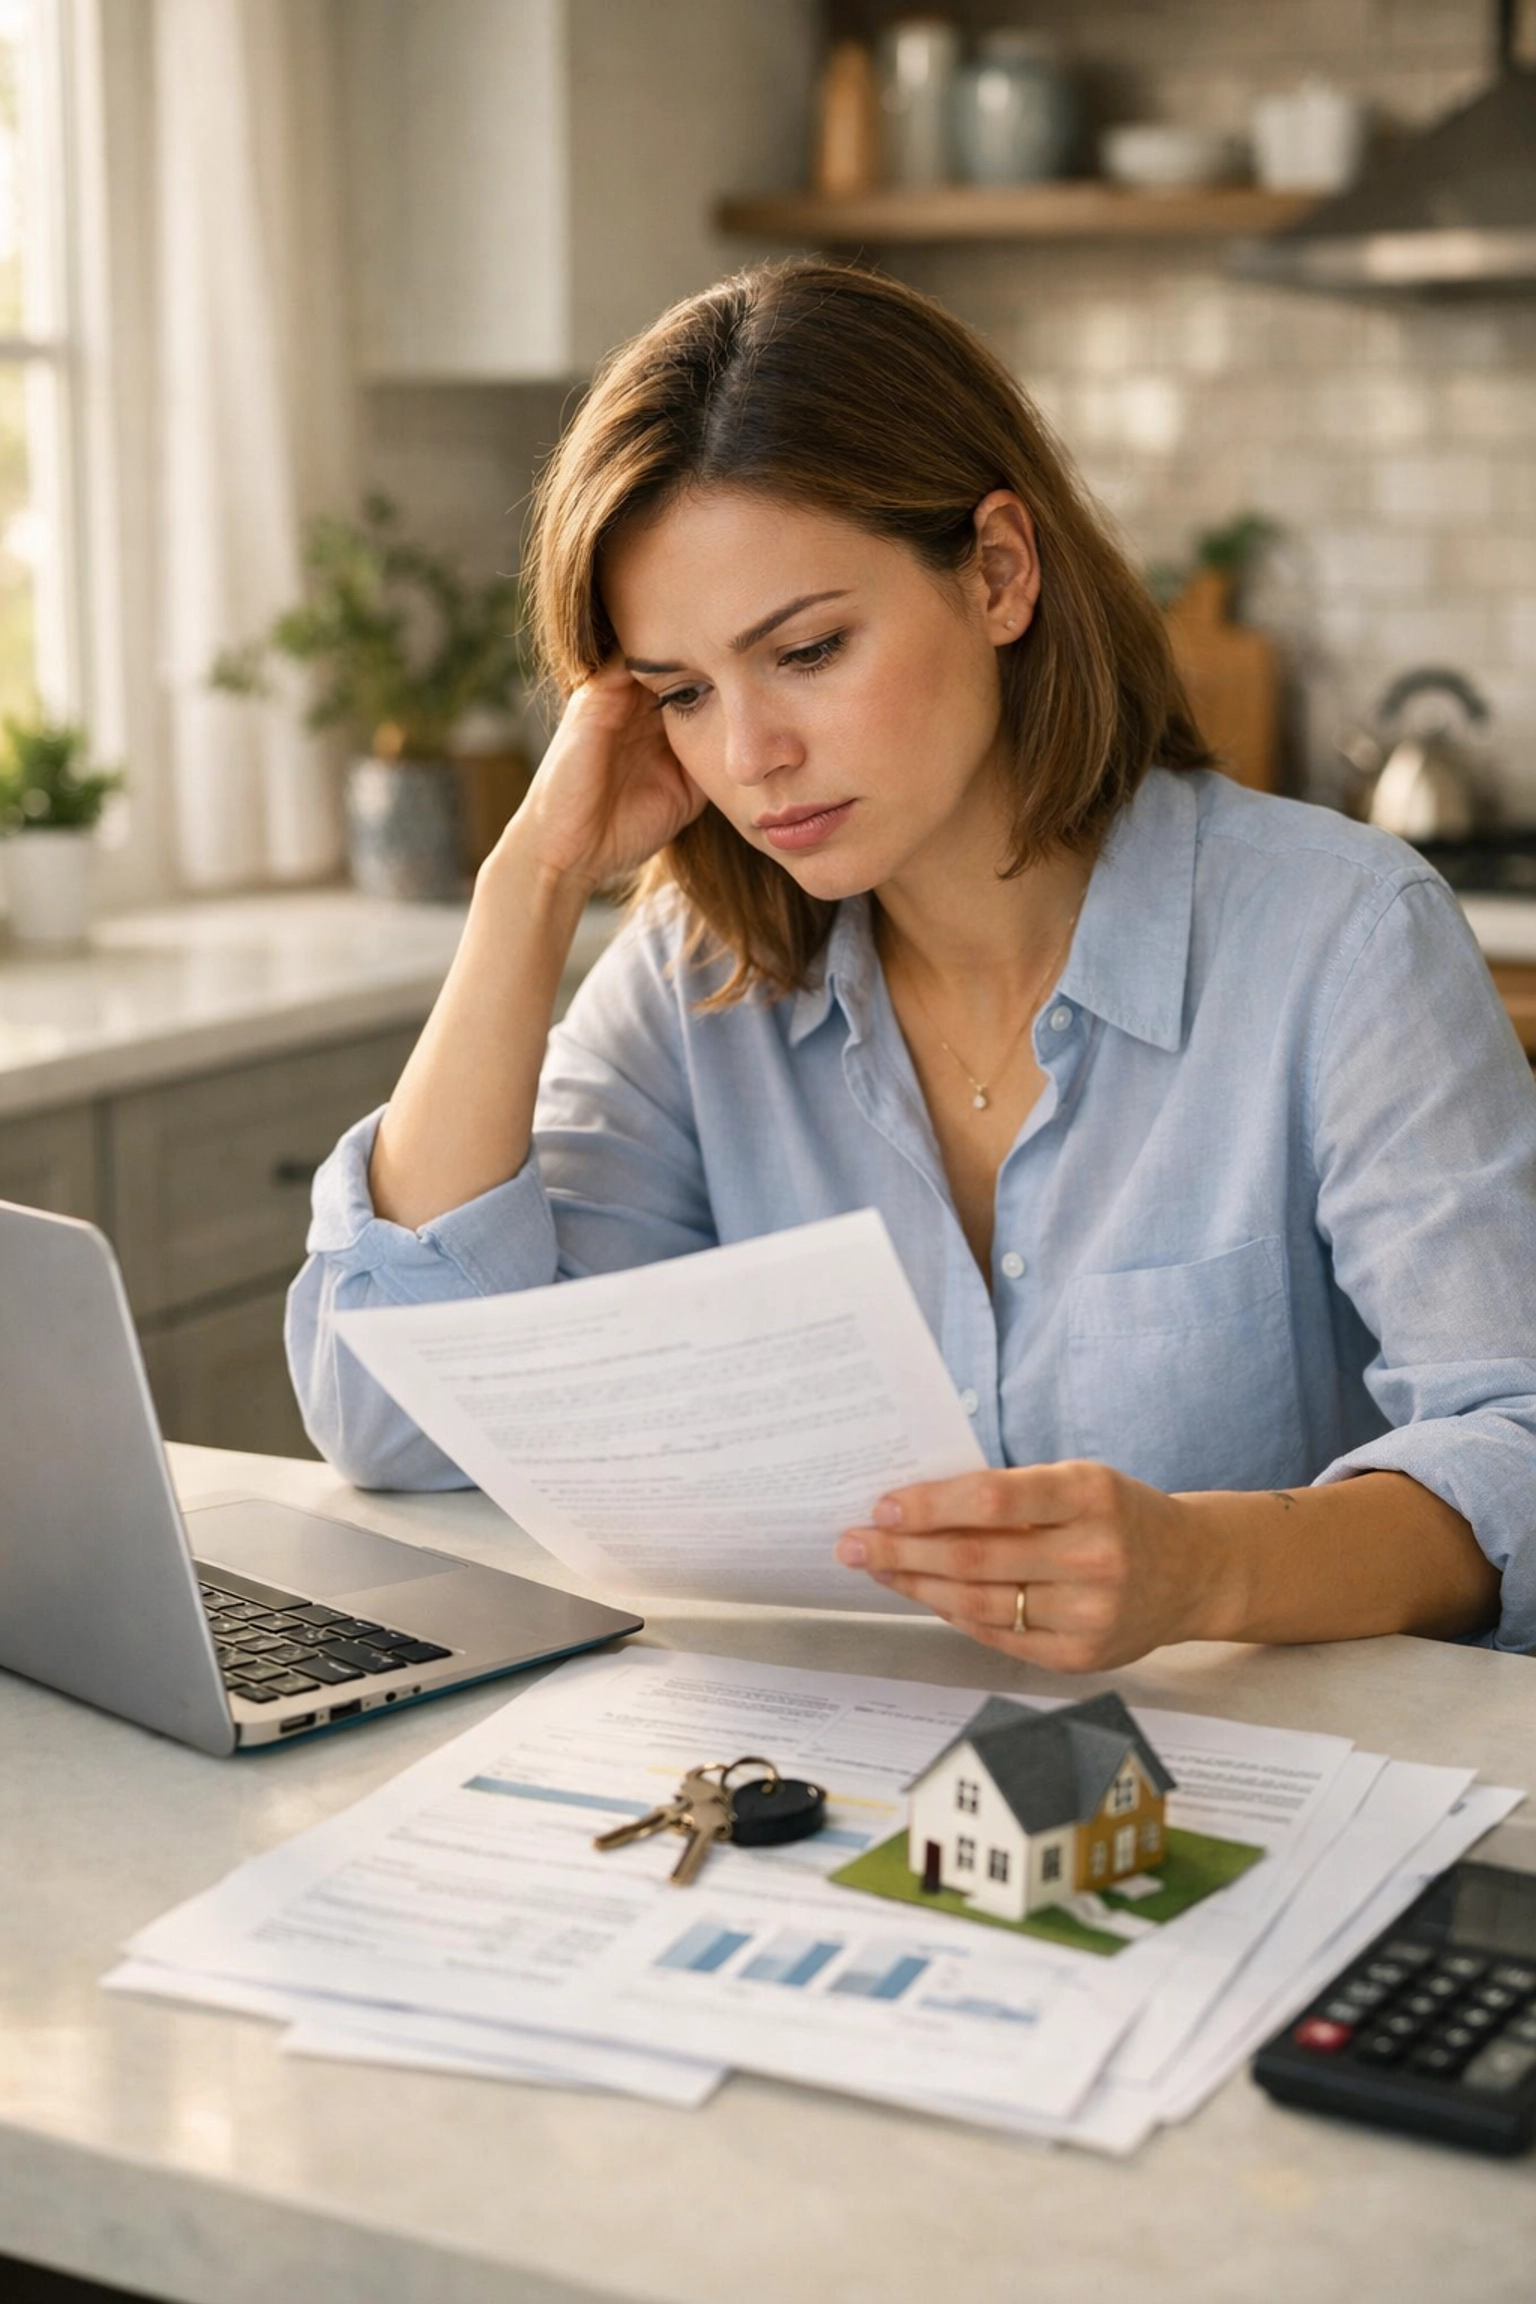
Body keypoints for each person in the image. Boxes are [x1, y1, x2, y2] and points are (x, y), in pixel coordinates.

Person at [288, 259, 1536, 1669]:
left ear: (1000, 572)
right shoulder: (700, 984)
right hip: (839, 1811)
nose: (750, 755)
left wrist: (1209, 1568)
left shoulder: (1344, 939)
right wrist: (530, 884)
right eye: (683, 693)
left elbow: (1518, 1452)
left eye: (809, 649)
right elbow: (393, 1418)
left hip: (1267, 1804)